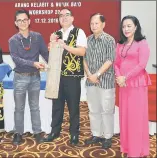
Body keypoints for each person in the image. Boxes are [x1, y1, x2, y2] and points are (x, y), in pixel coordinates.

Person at [43, 8, 87, 146]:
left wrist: (65, 46)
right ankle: (54, 131)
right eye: (60, 16)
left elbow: (81, 51)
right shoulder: (56, 34)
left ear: (72, 18)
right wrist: (51, 45)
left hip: (72, 76)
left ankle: (74, 134)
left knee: (73, 106)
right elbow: (52, 55)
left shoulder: (79, 32)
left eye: (67, 15)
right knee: (57, 105)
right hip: (57, 76)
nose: (64, 18)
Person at [8, 9, 49, 145]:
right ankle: (18, 133)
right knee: (19, 107)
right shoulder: (13, 40)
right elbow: (16, 59)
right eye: (19, 20)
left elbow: (45, 53)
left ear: (29, 21)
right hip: (20, 77)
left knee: (34, 106)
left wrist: (54, 65)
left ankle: (37, 132)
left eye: (25, 20)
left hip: (35, 77)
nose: (22, 22)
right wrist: (34, 63)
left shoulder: (37, 37)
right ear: (15, 23)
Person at [114, 15, 151, 157]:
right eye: (123, 26)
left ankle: (137, 150)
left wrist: (125, 77)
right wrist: (119, 77)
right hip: (123, 85)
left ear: (136, 27)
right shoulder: (120, 44)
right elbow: (116, 63)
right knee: (125, 117)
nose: (126, 29)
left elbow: (142, 65)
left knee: (135, 118)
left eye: (129, 26)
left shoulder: (142, 43)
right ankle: (127, 147)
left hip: (136, 84)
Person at [83, 13, 116, 149]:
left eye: (96, 23)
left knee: (107, 110)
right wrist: (90, 75)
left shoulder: (109, 40)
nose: (94, 26)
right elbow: (83, 59)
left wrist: (97, 74)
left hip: (106, 81)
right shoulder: (88, 40)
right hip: (91, 81)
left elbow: (109, 60)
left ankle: (107, 136)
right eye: (92, 23)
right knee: (93, 110)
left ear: (103, 24)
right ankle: (96, 134)